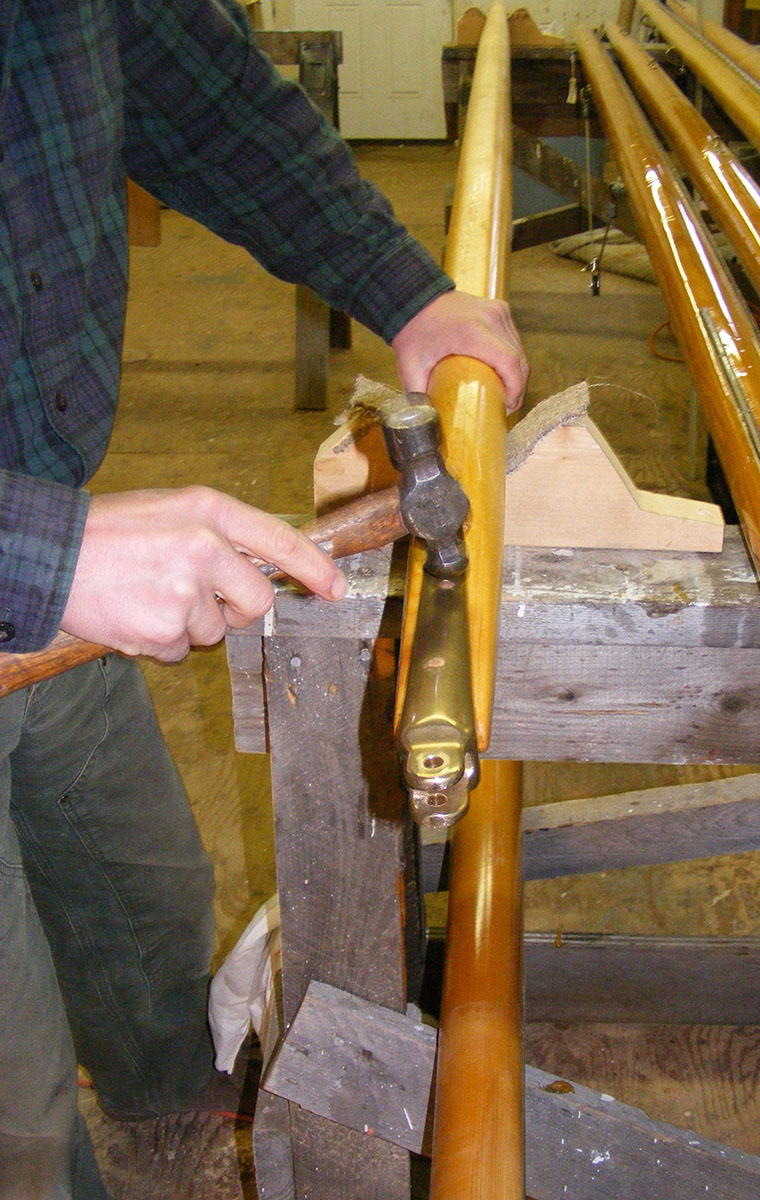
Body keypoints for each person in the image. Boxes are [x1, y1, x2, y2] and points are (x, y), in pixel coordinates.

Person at [0, 2, 529, 1197]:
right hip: (36, 545)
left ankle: (174, 1114)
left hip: (42, 518)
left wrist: (404, 292)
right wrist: (35, 553)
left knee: (144, 910)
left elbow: (209, 100)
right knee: (16, 1113)